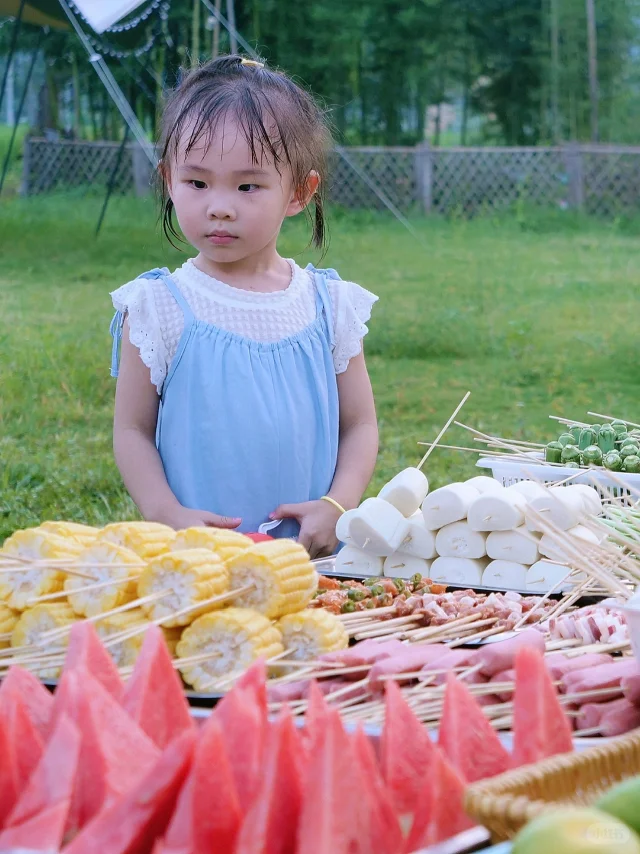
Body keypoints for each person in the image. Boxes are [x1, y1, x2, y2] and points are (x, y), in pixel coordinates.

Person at [109, 55, 378, 557]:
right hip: (199, 560)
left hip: (311, 561)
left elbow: (359, 424)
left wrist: (337, 505)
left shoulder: (329, 305)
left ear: (300, 192)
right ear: (169, 179)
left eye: (247, 186)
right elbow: (131, 430)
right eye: (197, 182)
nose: (219, 205)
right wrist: (169, 516)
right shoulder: (158, 307)